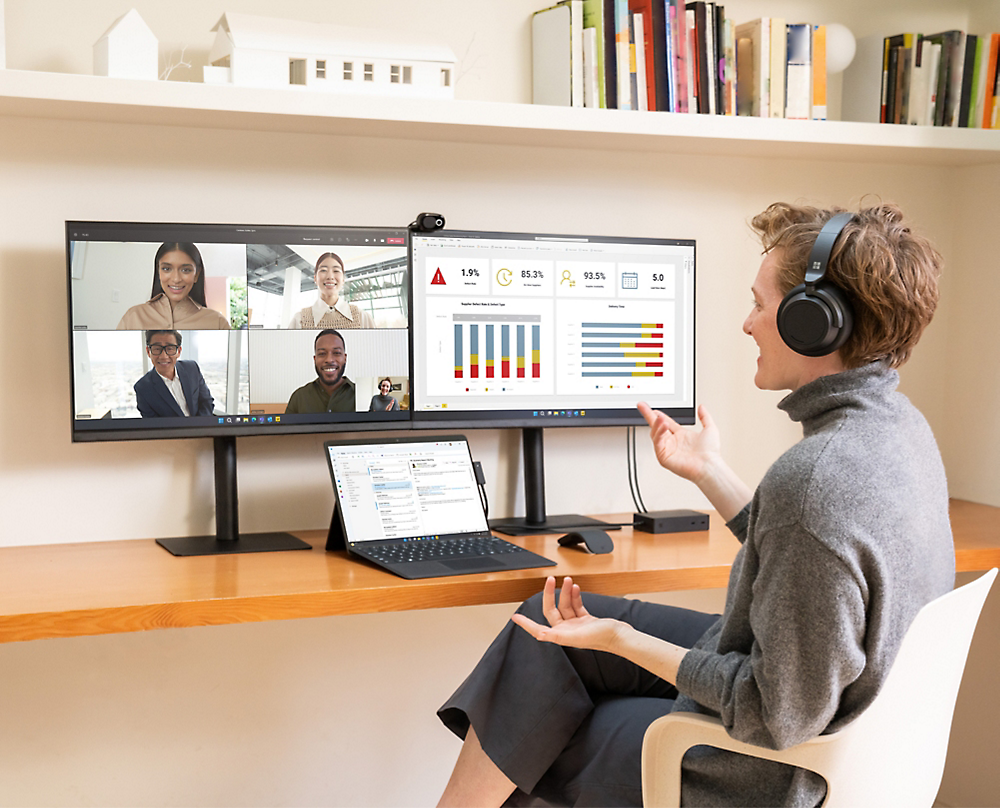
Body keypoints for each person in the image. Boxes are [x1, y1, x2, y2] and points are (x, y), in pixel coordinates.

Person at [436, 202, 956, 808]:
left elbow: (774, 714)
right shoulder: (899, 428)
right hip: (824, 707)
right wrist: (708, 471)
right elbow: (805, 557)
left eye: (760, 304)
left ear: (813, 322)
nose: (747, 324)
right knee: (543, 624)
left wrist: (623, 641)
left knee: (537, 726)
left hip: (758, 769)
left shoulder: (815, 478)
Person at [117, 242, 231, 330]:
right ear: (158, 272)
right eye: (166, 269)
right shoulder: (133, 317)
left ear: (196, 275)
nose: (176, 279)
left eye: (186, 270)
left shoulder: (217, 322)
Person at [134, 330, 215, 417]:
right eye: (157, 348)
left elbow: (206, 402)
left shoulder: (192, 368)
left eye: (170, 348)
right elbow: (154, 426)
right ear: (148, 351)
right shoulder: (142, 388)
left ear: (179, 351)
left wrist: (198, 427)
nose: (163, 356)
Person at [286, 252, 376, 329]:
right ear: (315, 279)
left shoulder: (362, 318)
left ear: (343, 279)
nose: (330, 276)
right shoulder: (299, 320)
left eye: (336, 271)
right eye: (323, 270)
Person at [285, 329, 356, 414]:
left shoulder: (362, 395)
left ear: (345, 358)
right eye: (322, 354)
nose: (329, 360)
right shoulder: (299, 397)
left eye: (336, 353)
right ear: (315, 359)